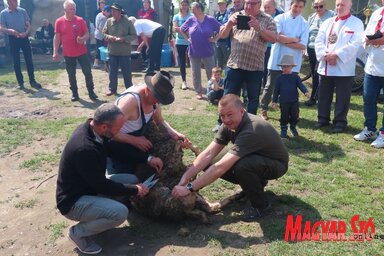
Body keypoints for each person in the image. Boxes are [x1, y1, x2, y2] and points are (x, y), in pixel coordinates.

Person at [172, 94, 289, 222]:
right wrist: (185, 178)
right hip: (255, 158)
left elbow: (221, 168)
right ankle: (254, 185)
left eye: (229, 114)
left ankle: (261, 205)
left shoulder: (251, 129)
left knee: (242, 166)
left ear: (241, 111)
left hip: (276, 164)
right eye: (222, 116)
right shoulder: (227, 125)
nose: (226, 120)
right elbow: (209, 153)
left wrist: (189, 188)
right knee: (210, 161)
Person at [56, 103, 149, 255]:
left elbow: (114, 150)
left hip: (89, 187)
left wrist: (148, 158)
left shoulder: (93, 131)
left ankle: (99, 217)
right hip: (73, 201)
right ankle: (77, 233)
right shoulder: (84, 148)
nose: (120, 132)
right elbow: (101, 186)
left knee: (131, 179)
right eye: (118, 128)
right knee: (120, 213)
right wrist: (134, 190)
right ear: (105, 127)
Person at [106, 70, 189, 181]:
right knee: (127, 182)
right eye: (157, 98)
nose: (157, 102)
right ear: (147, 90)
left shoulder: (155, 101)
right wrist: (134, 140)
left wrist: (174, 133)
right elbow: (109, 132)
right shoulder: (130, 102)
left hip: (135, 141)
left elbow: (160, 120)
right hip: (117, 146)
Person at [219, 0, 277, 114]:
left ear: (260, 5)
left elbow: (273, 39)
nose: (249, 6)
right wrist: (229, 24)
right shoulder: (236, 15)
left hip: (255, 67)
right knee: (229, 97)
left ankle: (250, 126)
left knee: (253, 99)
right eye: (247, 3)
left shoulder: (268, 19)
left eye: (253, 3)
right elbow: (222, 35)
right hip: (235, 65)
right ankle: (223, 124)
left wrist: (259, 28)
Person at [314, 0, 364, 133]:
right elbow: (318, 41)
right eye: (337, 5)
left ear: (350, 6)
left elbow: (355, 43)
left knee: (342, 97)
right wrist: (326, 55)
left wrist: (336, 55)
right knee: (324, 95)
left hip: (343, 67)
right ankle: (322, 119)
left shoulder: (356, 23)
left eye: (343, 5)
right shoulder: (327, 22)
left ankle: (340, 122)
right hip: (326, 64)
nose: (339, 7)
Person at [260, 0, 308, 120]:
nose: (297, 9)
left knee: (290, 88)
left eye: (300, 7)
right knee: (270, 86)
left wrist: (284, 40)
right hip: (277, 58)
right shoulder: (279, 18)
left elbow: (303, 45)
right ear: (291, 5)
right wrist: (294, 39)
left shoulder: (304, 23)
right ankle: (264, 109)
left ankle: (290, 112)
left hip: (293, 62)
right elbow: (276, 37)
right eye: (295, 5)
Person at [53, 0, 98, 102]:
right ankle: (74, 93)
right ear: (65, 10)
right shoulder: (59, 21)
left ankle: (91, 92)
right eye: (71, 9)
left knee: (87, 72)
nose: (73, 11)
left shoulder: (80, 20)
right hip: (68, 53)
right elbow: (57, 37)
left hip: (81, 52)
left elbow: (87, 34)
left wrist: (82, 39)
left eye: (74, 9)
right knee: (71, 74)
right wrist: (55, 51)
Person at [353, 0, 384, 148]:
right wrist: (367, 38)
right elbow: (368, 31)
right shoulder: (377, 13)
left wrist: (380, 39)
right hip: (372, 64)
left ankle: (383, 134)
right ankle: (370, 129)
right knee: (368, 97)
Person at [180, 2, 221, 100]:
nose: (191, 10)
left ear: (198, 9)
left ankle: (212, 91)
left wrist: (215, 38)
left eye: (193, 8)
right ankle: (199, 91)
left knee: (210, 72)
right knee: (195, 72)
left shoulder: (210, 19)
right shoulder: (191, 19)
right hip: (194, 51)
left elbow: (222, 28)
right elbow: (182, 29)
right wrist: (187, 39)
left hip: (208, 50)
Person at [0, 0, 42, 90]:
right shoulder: (3, 13)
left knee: (29, 60)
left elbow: (28, 25)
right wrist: (10, 31)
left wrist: (26, 32)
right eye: (12, 1)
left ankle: (32, 81)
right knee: (16, 61)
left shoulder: (22, 11)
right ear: (8, 2)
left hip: (24, 38)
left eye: (15, 1)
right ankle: (20, 83)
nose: (15, 3)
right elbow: (1, 27)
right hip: (13, 39)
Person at [305, 0, 335, 106]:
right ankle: (316, 95)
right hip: (311, 48)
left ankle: (315, 97)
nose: (318, 9)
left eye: (320, 6)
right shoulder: (312, 17)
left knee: (318, 72)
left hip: (324, 49)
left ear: (325, 5)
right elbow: (307, 32)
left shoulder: (332, 15)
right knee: (314, 73)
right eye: (315, 7)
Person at [272, 54, 310, 138]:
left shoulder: (295, 77)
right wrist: (274, 101)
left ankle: (293, 127)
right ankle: (283, 130)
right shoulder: (279, 78)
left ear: (292, 67)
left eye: (287, 66)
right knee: (284, 116)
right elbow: (276, 91)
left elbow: (301, 85)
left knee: (295, 115)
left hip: (294, 101)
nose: (285, 68)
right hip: (284, 101)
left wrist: (305, 92)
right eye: (283, 66)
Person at [103, 3, 137, 96]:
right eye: (112, 10)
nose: (112, 12)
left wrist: (124, 39)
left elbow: (133, 35)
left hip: (124, 52)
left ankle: (129, 89)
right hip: (112, 51)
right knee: (112, 72)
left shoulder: (127, 22)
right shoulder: (109, 21)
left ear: (119, 12)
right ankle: (112, 89)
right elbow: (104, 33)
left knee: (126, 72)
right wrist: (110, 37)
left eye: (114, 11)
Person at [261, 0, 283, 87]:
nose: (266, 9)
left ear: (274, 7)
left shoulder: (280, 16)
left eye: (268, 7)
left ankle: (275, 86)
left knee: (274, 67)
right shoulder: (262, 16)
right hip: (264, 45)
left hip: (275, 46)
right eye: (265, 7)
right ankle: (264, 84)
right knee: (264, 66)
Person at [173, 0, 192, 90]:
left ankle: (195, 80)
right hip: (179, 42)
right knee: (182, 63)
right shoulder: (176, 16)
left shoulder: (191, 16)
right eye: (182, 5)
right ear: (180, 6)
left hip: (190, 42)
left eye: (185, 5)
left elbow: (192, 29)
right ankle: (184, 81)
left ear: (188, 6)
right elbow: (174, 29)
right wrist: (184, 30)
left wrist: (180, 29)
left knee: (193, 61)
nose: (184, 7)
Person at [137, 0, 158, 65]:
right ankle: (144, 64)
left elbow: (154, 24)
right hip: (142, 35)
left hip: (150, 35)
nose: (145, 4)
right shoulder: (140, 12)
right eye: (143, 2)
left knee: (149, 49)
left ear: (149, 3)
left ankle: (150, 65)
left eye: (146, 2)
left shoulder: (153, 12)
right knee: (143, 50)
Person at [214, 0, 230, 70]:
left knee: (226, 61)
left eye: (222, 4)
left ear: (226, 4)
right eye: (219, 4)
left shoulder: (229, 13)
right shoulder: (216, 14)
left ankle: (225, 78)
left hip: (226, 41)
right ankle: (219, 79)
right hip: (218, 41)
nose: (221, 6)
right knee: (219, 61)